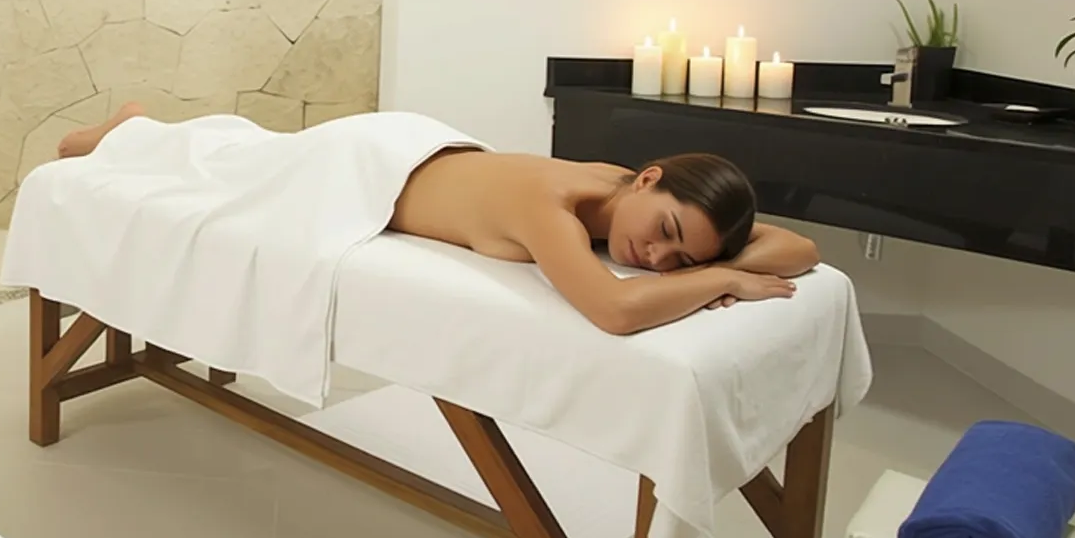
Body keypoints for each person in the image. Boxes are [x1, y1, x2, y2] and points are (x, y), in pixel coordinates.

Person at [56, 104, 819, 336]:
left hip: (419, 154)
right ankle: (126, 130)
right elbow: (615, 310)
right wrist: (719, 278)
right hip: (362, 162)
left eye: (677, 260)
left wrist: (711, 261)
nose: (655, 257)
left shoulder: (625, 197)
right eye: (666, 233)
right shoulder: (548, 204)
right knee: (225, 172)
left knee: (243, 157)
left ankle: (151, 127)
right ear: (647, 177)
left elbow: (800, 248)